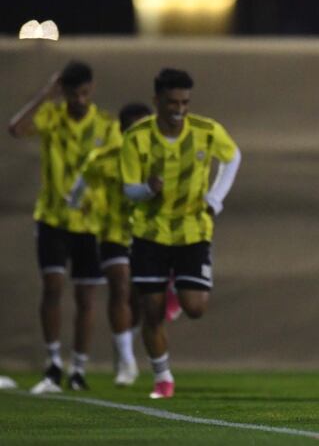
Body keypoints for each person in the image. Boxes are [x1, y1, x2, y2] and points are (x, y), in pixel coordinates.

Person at [121, 68, 241, 399]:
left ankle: (176, 290)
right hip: (150, 232)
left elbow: (233, 158)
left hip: (192, 230)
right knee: (151, 313)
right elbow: (129, 189)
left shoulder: (206, 130)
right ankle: (163, 378)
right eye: (172, 102)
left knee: (196, 307)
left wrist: (215, 199)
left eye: (185, 102)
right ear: (157, 100)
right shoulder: (137, 137)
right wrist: (147, 189)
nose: (179, 109)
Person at [8, 61, 120, 393]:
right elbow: (16, 128)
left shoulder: (105, 126)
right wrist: (46, 93)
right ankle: (54, 363)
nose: (80, 99)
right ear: (65, 91)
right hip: (53, 218)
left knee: (87, 296)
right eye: (74, 93)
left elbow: (115, 168)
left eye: (85, 92)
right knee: (53, 287)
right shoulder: (52, 117)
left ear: (92, 89)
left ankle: (79, 369)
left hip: (89, 222)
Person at [69, 102, 153, 387]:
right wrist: (78, 205)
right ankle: (127, 361)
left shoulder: (159, 158)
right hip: (113, 233)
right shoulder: (104, 158)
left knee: (141, 298)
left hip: (147, 234)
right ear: (122, 130)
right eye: (134, 128)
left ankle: (125, 345)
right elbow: (79, 187)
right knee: (119, 286)